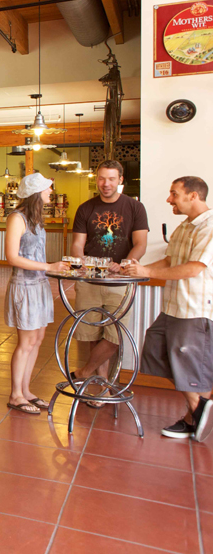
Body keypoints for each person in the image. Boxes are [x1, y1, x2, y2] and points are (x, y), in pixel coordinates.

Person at [124, 176, 213, 441]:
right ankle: (199, 410)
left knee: (189, 365)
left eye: (174, 194)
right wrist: (137, 271)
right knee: (156, 349)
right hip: (172, 306)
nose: (169, 199)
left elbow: (196, 268)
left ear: (193, 196)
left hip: (194, 308)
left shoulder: (209, 227)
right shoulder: (184, 227)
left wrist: (147, 270)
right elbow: (171, 260)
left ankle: (193, 417)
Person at [69, 160, 148, 390]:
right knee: (92, 333)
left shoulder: (134, 207)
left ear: (120, 180)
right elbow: (77, 244)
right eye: (102, 178)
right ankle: (101, 383)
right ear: (97, 179)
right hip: (91, 279)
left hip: (120, 282)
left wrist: (124, 264)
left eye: (111, 179)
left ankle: (85, 372)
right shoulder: (86, 208)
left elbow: (141, 244)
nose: (106, 184)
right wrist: (79, 261)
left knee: (115, 335)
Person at [5, 173, 65, 415]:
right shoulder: (16, 218)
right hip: (25, 286)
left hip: (39, 285)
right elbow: (12, 257)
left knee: (37, 341)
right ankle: (15, 394)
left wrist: (48, 268)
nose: (51, 193)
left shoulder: (36, 219)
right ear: (36, 193)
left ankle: (26, 390)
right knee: (26, 343)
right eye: (48, 189)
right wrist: (49, 266)